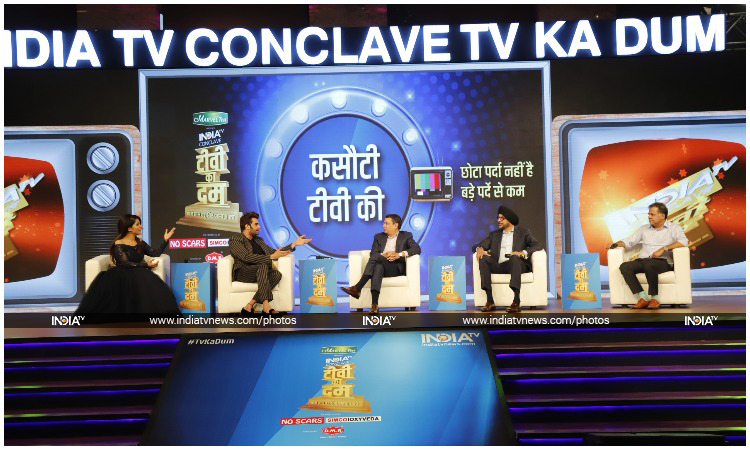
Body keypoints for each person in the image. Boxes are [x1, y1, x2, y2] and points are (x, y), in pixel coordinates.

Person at [75, 214, 180, 319]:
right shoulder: (119, 243)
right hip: (121, 273)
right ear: (129, 228)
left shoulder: (140, 243)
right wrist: (146, 265)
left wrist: (165, 240)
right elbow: (125, 263)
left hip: (139, 272)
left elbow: (155, 253)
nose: (141, 227)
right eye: (137, 224)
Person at [609, 202, 688, 310]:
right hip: (643, 260)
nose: (649, 217)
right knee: (625, 266)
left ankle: (654, 299)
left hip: (662, 262)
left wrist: (663, 249)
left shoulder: (674, 228)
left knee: (649, 265)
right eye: (649, 214)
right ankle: (643, 298)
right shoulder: (644, 228)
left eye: (652, 214)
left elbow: (684, 242)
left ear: (662, 216)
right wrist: (615, 244)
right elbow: (629, 241)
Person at [230, 212, 312, 316]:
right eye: (256, 224)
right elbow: (245, 257)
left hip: (260, 272)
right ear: (247, 226)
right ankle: (266, 306)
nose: (259, 227)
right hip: (243, 272)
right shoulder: (236, 239)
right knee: (263, 266)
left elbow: (275, 252)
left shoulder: (259, 241)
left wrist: (294, 244)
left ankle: (249, 305)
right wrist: (270, 257)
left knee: (276, 274)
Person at [341, 214, 421, 314]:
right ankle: (374, 305)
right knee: (377, 267)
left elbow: (417, 249)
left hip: (395, 268)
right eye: (384, 223)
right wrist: (384, 255)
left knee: (376, 259)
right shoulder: (378, 237)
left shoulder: (406, 236)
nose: (383, 226)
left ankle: (357, 287)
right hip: (381, 265)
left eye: (386, 223)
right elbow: (373, 254)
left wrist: (399, 254)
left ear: (395, 225)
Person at [474, 205, 543, 313]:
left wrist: (522, 253)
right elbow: (479, 245)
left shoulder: (523, 232)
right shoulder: (494, 234)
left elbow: (538, 245)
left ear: (509, 220)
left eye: (502, 218)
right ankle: (490, 301)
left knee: (515, 258)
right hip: (499, 265)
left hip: (516, 264)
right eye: (498, 218)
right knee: (484, 259)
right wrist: (479, 249)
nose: (499, 220)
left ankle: (516, 301)